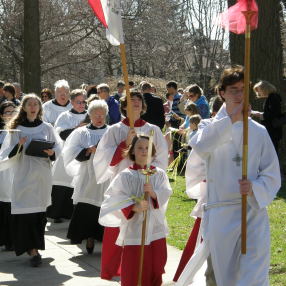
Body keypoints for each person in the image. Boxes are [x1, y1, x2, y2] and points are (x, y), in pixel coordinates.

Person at [176, 66, 281, 286]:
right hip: (220, 214)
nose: (239, 95)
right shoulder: (207, 126)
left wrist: (254, 187)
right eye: (234, 89)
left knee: (252, 275)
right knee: (219, 276)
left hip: (250, 211)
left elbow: (271, 173)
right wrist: (231, 120)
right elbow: (202, 146)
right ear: (222, 92)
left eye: (243, 89)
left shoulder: (258, 132)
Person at [93, 90, 168, 280]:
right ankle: (114, 269)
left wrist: (149, 175)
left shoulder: (154, 130)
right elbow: (102, 159)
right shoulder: (115, 130)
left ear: (143, 106)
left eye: (138, 100)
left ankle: (144, 269)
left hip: (146, 184)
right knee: (118, 223)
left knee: (145, 228)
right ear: (124, 106)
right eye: (131, 100)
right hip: (123, 182)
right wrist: (123, 145)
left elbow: (160, 159)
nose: (135, 102)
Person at [99, 135, 172, 286]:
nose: (144, 151)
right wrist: (134, 207)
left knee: (155, 264)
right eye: (140, 148)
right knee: (134, 267)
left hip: (154, 228)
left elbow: (166, 192)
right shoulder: (126, 175)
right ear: (132, 151)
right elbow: (114, 198)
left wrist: (153, 193)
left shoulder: (159, 174)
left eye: (147, 148)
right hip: (135, 229)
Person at [0, 94, 62, 267]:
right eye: (30, 104)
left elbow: (57, 146)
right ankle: (32, 249)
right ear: (25, 107)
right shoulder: (17, 128)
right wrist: (19, 145)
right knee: (24, 212)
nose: (33, 107)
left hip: (41, 175)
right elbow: (6, 153)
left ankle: (35, 246)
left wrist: (51, 152)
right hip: (23, 174)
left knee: (39, 214)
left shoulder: (47, 127)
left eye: (36, 104)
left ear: (40, 108)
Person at [63, 100, 110, 253]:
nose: (99, 118)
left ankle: (103, 238)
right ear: (89, 115)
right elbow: (70, 152)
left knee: (104, 206)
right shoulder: (81, 132)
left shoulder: (111, 131)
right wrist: (87, 151)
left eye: (102, 115)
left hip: (106, 177)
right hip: (87, 176)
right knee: (86, 207)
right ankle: (88, 237)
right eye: (96, 115)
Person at [47, 89, 88, 223]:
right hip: (65, 155)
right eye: (78, 102)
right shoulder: (65, 116)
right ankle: (56, 213)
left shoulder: (89, 115)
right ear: (72, 102)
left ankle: (70, 214)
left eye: (83, 102)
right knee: (61, 184)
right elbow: (60, 134)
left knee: (76, 185)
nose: (81, 105)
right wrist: (77, 128)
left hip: (82, 156)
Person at [0, 101, 17, 251]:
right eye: (7, 112)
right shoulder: (1, 133)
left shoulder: (21, 130)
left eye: (13, 112)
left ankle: (15, 240)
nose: (11, 115)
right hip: (3, 173)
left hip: (18, 173)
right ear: (2, 115)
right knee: (4, 206)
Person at [252, 80, 283, 153]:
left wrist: (260, 115)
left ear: (265, 89)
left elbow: (273, 115)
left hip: (273, 131)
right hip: (271, 131)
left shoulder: (273, 98)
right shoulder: (271, 97)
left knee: (271, 152)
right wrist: (259, 113)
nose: (258, 93)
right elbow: (270, 112)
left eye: (259, 91)